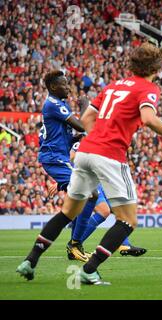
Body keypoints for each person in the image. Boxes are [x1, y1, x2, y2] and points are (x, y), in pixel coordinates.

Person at [17, 43, 162, 284]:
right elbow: (148, 118)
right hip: (109, 155)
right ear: (156, 66)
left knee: (67, 211)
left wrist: (97, 138)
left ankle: (30, 260)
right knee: (128, 220)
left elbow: (87, 118)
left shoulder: (113, 86)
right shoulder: (148, 88)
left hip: (85, 153)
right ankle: (89, 270)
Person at [33, 70, 97, 262]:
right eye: (64, 84)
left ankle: (74, 245)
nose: (68, 87)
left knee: (84, 197)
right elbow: (81, 125)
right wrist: (87, 105)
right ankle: (75, 245)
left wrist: (77, 138)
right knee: (90, 194)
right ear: (53, 87)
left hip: (59, 156)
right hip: (54, 158)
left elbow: (68, 135)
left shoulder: (59, 104)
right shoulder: (52, 104)